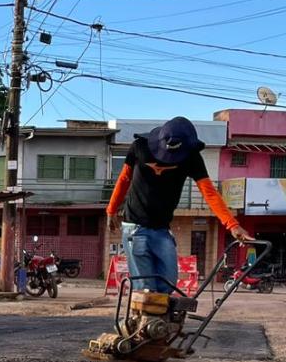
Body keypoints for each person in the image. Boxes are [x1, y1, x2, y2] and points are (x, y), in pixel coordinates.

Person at [105, 116, 253, 293]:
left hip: (161, 229)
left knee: (168, 283)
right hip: (135, 226)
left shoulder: (191, 157)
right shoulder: (140, 147)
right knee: (146, 289)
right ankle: (147, 320)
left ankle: (159, 320)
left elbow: (209, 192)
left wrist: (232, 225)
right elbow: (124, 179)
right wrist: (111, 210)